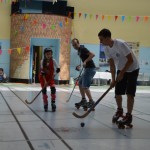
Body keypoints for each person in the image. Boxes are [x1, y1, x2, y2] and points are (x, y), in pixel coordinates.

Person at [98, 28, 139, 126]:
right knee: (118, 92)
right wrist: (113, 80)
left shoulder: (120, 44)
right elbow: (112, 64)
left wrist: (122, 73)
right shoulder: (106, 48)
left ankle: (128, 116)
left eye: (102, 39)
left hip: (133, 68)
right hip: (121, 69)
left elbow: (130, 60)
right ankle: (119, 111)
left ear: (108, 38)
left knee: (130, 93)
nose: (100, 41)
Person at [71, 38, 96, 110]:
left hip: (90, 69)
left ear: (78, 43)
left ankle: (91, 102)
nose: (75, 46)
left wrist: (85, 61)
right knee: (80, 83)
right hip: (87, 69)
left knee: (85, 86)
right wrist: (81, 65)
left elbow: (92, 54)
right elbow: (85, 59)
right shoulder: (79, 51)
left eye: (75, 44)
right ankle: (83, 100)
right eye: (73, 45)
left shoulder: (82, 49)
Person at [39, 48, 60, 112]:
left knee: (53, 88)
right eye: (47, 54)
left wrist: (54, 74)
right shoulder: (42, 61)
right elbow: (42, 72)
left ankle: (53, 103)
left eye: (50, 54)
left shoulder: (53, 61)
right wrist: (45, 81)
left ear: (51, 54)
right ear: (45, 54)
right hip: (43, 78)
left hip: (51, 78)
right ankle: (45, 103)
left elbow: (58, 69)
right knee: (44, 91)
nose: (48, 55)